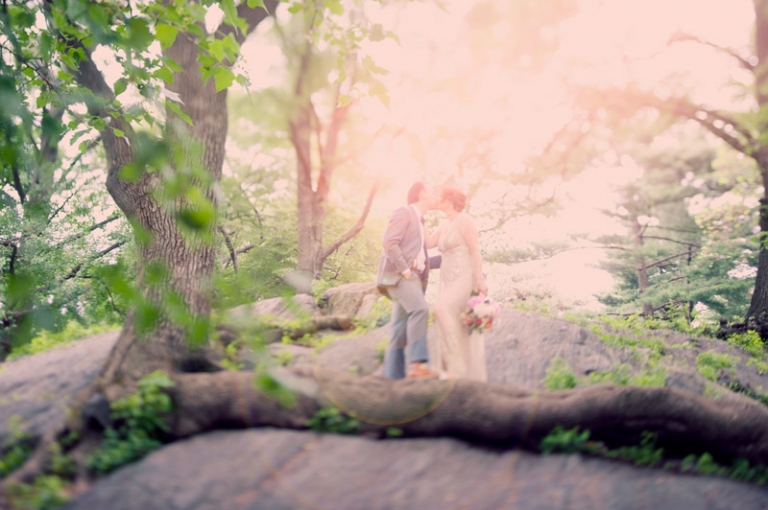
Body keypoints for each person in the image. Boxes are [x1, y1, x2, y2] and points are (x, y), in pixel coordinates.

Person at [377, 181, 440, 379]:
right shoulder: (404, 212)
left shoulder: (420, 221)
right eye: (432, 191)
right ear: (421, 193)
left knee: (398, 327)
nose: (435, 196)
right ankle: (417, 365)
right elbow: (389, 242)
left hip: (412, 277)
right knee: (420, 310)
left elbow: (423, 253)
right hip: (400, 276)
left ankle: (392, 376)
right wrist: (404, 269)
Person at [427, 185, 489, 381]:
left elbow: (475, 251)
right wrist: (419, 214)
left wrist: (480, 279)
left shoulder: (465, 221)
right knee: (453, 320)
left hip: (464, 276)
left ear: (450, 200)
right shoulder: (445, 225)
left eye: (440, 195)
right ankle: (452, 368)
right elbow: (427, 243)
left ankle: (456, 367)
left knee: (440, 309)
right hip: (447, 279)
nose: (437, 198)